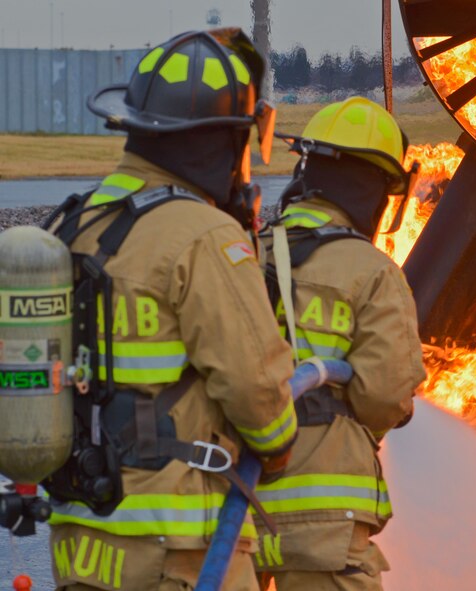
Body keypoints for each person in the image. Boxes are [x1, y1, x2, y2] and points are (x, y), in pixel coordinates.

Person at [43, 29, 296, 591]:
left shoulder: (76, 222)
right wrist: (278, 446)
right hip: (177, 550)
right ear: (220, 143)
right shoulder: (203, 235)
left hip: (81, 541)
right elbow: (261, 396)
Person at [253, 97, 427, 590]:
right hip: (325, 518)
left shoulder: (248, 252)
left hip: (236, 506)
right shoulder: (373, 272)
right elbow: (385, 396)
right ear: (377, 192)